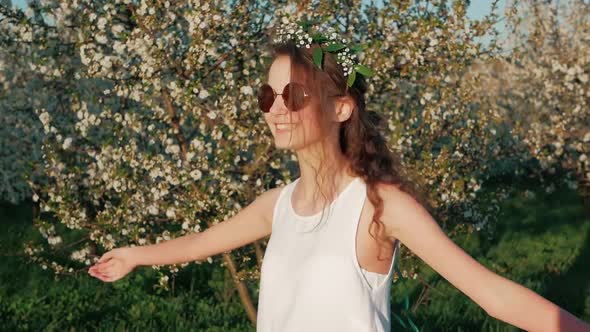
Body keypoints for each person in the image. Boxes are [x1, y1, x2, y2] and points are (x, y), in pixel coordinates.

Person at [89, 16, 590, 332]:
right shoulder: (277, 205)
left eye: (295, 96)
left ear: (343, 108)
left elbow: (491, 292)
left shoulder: (378, 206)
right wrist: (136, 255)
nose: (276, 109)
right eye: (268, 96)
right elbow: (201, 243)